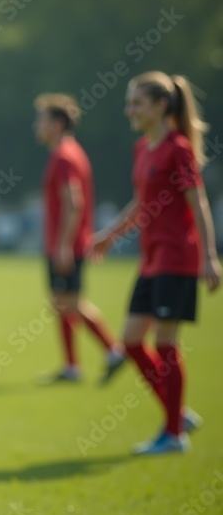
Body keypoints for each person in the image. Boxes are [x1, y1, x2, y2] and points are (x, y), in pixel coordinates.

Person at [90, 71, 220, 455]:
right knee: (131, 342)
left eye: (137, 103)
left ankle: (174, 434)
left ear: (161, 106)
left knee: (165, 343)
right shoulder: (142, 148)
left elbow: (199, 203)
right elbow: (141, 203)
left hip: (177, 258)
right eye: (129, 103)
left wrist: (209, 256)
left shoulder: (178, 149)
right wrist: (110, 234)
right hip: (151, 260)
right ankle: (176, 414)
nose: (129, 110)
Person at [33, 94, 125, 383]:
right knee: (62, 303)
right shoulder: (68, 153)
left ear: (58, 124)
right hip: (64, 244)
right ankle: (72, 367)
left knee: (71, 303)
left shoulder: (64, 156)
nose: (36, 126)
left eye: (41, 120)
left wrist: (62, 245)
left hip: (67, 245)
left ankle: (113, 350)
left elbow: (75, 204)